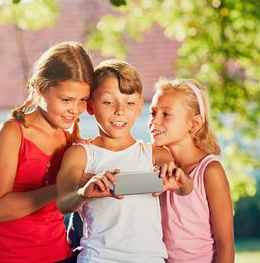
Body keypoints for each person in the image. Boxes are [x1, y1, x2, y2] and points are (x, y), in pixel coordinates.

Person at [56, 60, 193, 263]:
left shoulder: (156, 154)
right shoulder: (81, 153)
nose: (120, 110)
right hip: (98, 258)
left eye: (129, 103)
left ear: (139, 107)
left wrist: (181, 182)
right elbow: (64, 203)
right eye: (108, 102)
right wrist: (84, 193)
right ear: (91, 106)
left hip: (150, 259)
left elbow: (184, 189)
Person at [0, 42, 94, 263]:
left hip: (58, 255)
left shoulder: (71, 141)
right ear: (40, 88)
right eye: (66, 100)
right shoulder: (12, 133)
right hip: (7, 256)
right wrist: (61, 189)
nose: (75, 109)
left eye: (83, 100)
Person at [148, 78, 235, 263]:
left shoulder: (210, 171)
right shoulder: (155, 166)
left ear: (194, 124)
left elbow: (225, 245)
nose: (154, 120)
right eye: (153, 112)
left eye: (166, 114)